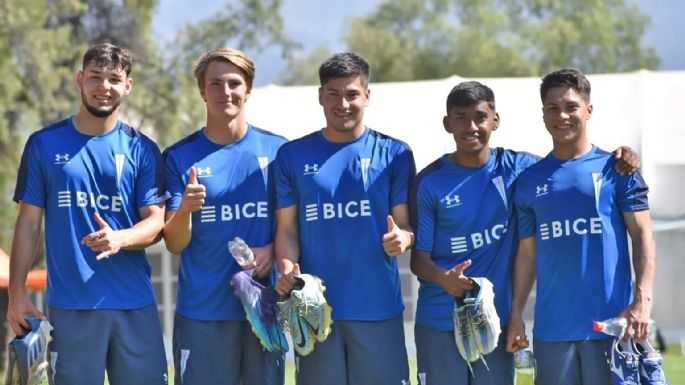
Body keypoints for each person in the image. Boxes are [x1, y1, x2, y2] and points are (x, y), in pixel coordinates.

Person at [410, 81, 641, 385]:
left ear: (495, 120)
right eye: (461, 117)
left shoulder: (521, 169)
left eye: (480, 117)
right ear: (447, 123)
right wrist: (444, 278)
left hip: (495, 322)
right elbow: (417, 261)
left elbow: (567, 166)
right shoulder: (429, 180)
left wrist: (621, 156)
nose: (472, 126)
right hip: (438, 319)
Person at [8, 43, 168, 385]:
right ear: (80, 80)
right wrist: (17, 293)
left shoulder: (143, 149)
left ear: (128, 85)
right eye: (95, 77)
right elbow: (28, 223)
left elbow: (157, 221)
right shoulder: (42, 144)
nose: (104, 87)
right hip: (71, 308)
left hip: (134, 305)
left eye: (114, 78)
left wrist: (120, 238)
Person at [506, 68, 656, 385]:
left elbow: (643, 236)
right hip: (552, 332)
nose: (562, 115)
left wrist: (642, 302)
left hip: (612, 328)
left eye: (571, 106)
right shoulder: (529, 181)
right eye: (552, 108)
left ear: (588, 110)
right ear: (543, 114)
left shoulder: (618, 168)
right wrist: (516, 312)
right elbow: (527, 254)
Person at [273, 52, 414, 385]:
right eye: (334, 93)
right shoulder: (292, 156)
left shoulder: (395, 153)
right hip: (315, 310)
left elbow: (406, 226)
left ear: (367, 95)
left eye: (352, 94)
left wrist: (403, 238)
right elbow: (287, 230)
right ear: (320, 96)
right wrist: (286, 267)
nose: (343, 103)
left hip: (377, 307)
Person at [162, 48, 286, 385]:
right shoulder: (178, 157)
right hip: (203, 315)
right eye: (215, 84)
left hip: (264, 311)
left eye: (234, 83)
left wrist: (274, 249)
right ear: (202, 91)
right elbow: (174, 243)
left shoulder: (279, 152)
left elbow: (297, 226)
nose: (225, 92)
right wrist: (185, 209)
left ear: (248, 89)